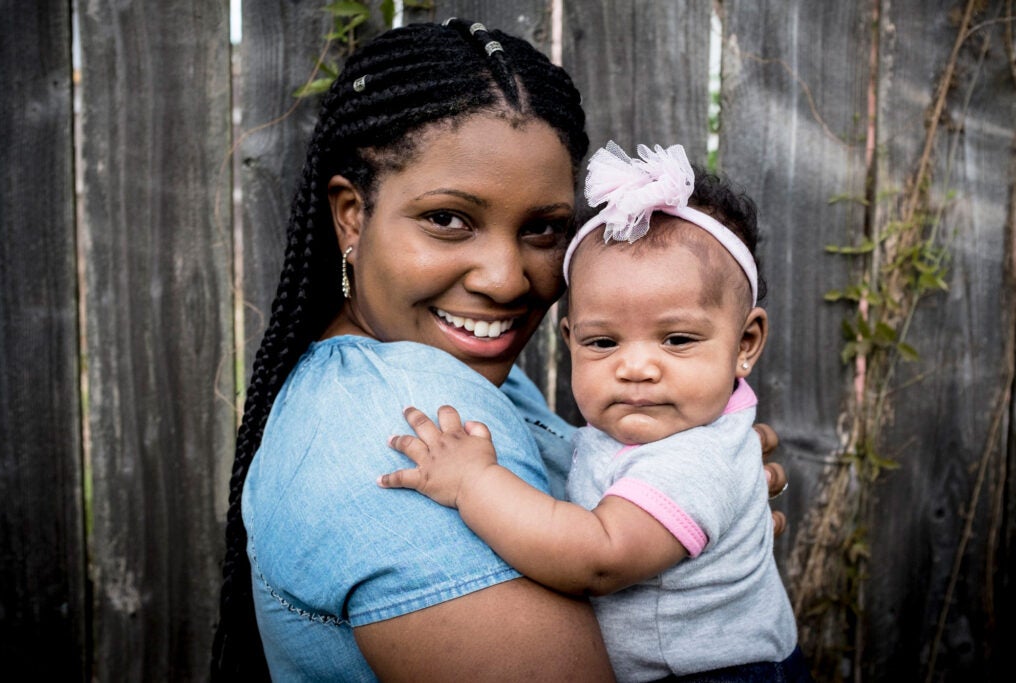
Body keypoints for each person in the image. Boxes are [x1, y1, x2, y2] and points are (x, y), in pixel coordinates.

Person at [212, 19, 788, 681]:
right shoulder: (399, 434)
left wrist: (701, 507)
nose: (506, 277)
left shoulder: (462, 374)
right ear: (351, 214)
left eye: (543, 228)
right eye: (448, 219)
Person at [381, 142, 809, 681]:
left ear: (746, 343)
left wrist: (473, 483)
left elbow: (599, 557)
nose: (635, 367)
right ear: (570, 339)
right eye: (603, 343)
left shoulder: (693, 458)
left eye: (676, 339)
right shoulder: (650, 432)